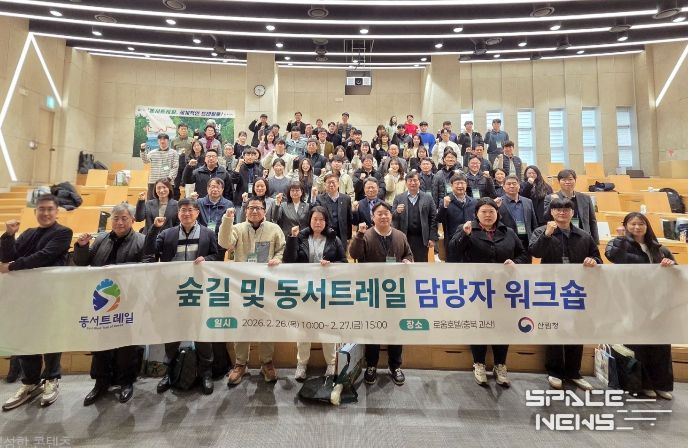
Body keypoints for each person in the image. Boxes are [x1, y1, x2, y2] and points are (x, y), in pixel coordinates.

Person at [0, 195, 72, 411]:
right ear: (35, 212)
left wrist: (13, 266)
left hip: (50, 297)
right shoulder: (28, 233)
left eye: (50, 209)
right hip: (25, 297)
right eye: (41, 209)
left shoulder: (63, 232)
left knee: (50, 338)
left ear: (56, 211)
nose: (46, 213)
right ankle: (31, 382)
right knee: (27, 339)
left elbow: (44, 256)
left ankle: (51, 379)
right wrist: (8, 235)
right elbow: (7, 257)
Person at [449, 197, 529, 387]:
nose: (487, 215)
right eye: (483, 211)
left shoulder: (508, 232)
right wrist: (464, 235)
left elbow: (524, 254)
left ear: (497, 213)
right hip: (477, 289)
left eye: (491, 211)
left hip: (503, 290)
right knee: (479, 325)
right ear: (476, 214)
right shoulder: (467, 229)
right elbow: (453, 253)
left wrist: (515, 262)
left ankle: (500, 364)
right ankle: (479, 363)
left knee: (502, 326)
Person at [144, 198, 219, 395]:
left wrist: (207, 259)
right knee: (172, 333)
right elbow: (149, 252)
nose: (186, 213)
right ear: (178, 214)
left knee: (202, 333)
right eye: (183, 210)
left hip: (198, 291)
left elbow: (216, 255)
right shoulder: (167, 234)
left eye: (190, 210)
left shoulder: (208, 233)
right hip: (172, 291)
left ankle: (206, 373)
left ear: (197, 213)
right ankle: (169, 372)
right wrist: (154, 229)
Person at [73, 203, 144, 406]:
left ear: (132, 220)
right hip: (102, 300)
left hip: (128, 300)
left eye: (124, 218)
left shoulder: (141, 240)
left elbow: (145, 268)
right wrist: (81, 247)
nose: (119, 222)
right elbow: (82, 263)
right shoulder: (101, 239)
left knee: (126, 344)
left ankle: (126, 382)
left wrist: (116, 269)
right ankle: (100, 382)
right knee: (101, 342)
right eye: (116, 218)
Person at [529, 197, 602, 391]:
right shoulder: (541, 231)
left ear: (572, 213)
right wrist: (547, 235)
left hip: (576, 289)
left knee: (576, 329)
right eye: (558, 209)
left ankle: (573, 372)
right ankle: (554, 371)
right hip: (551, 288)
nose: (562, 212)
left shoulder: (583, 235)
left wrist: (593, 261)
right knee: (554, 328)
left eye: (566, 209)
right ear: (551, 212)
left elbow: (597, 257)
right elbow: (535, 252)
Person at [605, 212, 676, 399]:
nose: (637, 227)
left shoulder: (659, 248)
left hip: (658, 303)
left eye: (641, 224)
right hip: (632, 302)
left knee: (660, 345)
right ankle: (643, 384)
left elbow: (675, 272)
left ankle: (660, 384)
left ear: (647, 226)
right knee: (638, 344)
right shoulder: (618, 243)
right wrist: (620, 239)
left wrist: (670, 265)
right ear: (626, 226)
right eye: (633, 224)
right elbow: (612, 256)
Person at [218, 198, 286, 385]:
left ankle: (266, 362)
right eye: (251, 208)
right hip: (242, 285)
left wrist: (278, 259)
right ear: (246, 211)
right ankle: (240, 363)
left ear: (265, 211)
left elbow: (281, 249)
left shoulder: (274, 229)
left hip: (267, 284)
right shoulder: (237, 228)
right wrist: (227, 219)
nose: (254, 211)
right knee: (242, 323)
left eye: (258, 208)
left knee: (267, 323)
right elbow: (224, 243)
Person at [350, 202, 413, 386]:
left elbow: (409, 255)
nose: (384, 216)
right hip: (373, 292)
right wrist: (359, 235)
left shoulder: (400, 236)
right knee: (373, 328)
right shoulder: (366, 235)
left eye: (386, 213)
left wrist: (407, 261)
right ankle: (371, 365)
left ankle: (395, 366)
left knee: (395, 329)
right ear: (373, 217)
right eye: (379, 214)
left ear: (391, 216)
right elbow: (354, 254)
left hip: (394, 292)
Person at [284, 206, 347, 380]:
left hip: (327, 292)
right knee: (304, 329)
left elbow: (344, 262)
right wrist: (292, 239)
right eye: (314, 219)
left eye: (321, 219)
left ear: (326, 222)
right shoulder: (300, 237)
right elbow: (289, 260)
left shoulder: (334, 239)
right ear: (309, 221)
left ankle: (331, 364)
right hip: (305, 291)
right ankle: (302, 364)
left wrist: (332, 265)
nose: (318, 222)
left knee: (328, 328)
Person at [392, 171, 438, 262]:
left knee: (421, 264)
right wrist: (397, 212)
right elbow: (392, 217)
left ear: (419, 182)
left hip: (422, 238)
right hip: (404, 237)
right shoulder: (399, 198)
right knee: (405, 263)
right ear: (406, 183)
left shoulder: (428, 198)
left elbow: (434, 218)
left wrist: (432, 237)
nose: (413, 183)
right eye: (410, 180)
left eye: (415, 180)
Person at [543, 169, 599, 244]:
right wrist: (553, 202)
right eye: (564, 180)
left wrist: (595, 242)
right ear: (559, 181)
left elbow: (592, 221)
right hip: (560, 238)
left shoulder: (585, 198)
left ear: (575, 180)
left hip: (582, 237)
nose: (567, 182)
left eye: (570, 179)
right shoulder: (550, 198)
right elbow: (546, 218)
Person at [436, 172, 477, 262]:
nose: (460, 186)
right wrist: (444, 206)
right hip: (453, 242)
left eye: (462, 183)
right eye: (457, 183)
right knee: (453, 269)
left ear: (466, 185)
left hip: (472, 242)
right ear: (451, 185)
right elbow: (439, 219)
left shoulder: (474, 202)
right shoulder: (445, 201)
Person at [497, 175, 539, 257]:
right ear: (504, 187)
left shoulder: (528, 201)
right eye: (508, 184)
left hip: (526, 241)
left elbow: (534, 223)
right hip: (507, 241)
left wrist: (534, 240)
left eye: (514, 183)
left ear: (519, 186)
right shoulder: (498, 203)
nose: (512, 186)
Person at [315, 173, 353, 248]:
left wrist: (349, 237)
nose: (331, 185)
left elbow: (349, 219)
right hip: (325, 235)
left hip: (341, 235)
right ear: (325, 185)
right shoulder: (319, 198)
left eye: (333, 182)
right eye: (328, 182)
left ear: (338, 184)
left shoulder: (346, 199)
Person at [140, 133, 179, 200]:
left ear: (168, 141)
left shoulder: (174, 153)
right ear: (158, 141)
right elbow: (145, 161)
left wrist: (169, 178)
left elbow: (175, 167)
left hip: (167, 182)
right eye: (160, 139)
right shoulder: (152, 152)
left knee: (167, 202)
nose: (162, 141)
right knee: (151, 202)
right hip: (153, 181)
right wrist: (142, 150)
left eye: (164, 139)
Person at [231, 147, 263, 213]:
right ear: (244, 156)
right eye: (248, 155)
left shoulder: (258, 170)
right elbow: (234, 180)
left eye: (252, 155)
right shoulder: (239, 168)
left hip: (254, 201)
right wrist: (238, 166)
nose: (250, 157)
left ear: (255, 157)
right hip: (240, 201)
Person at [174, 135, 204, 199]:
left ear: (201, 147)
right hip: (190, 182)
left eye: (198, 145)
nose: (196, 147)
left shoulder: (205, 157)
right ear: (192, 148)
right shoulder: (188, 157)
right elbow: (185, 171)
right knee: (189, 200)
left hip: (202, 181)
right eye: (194, 146)